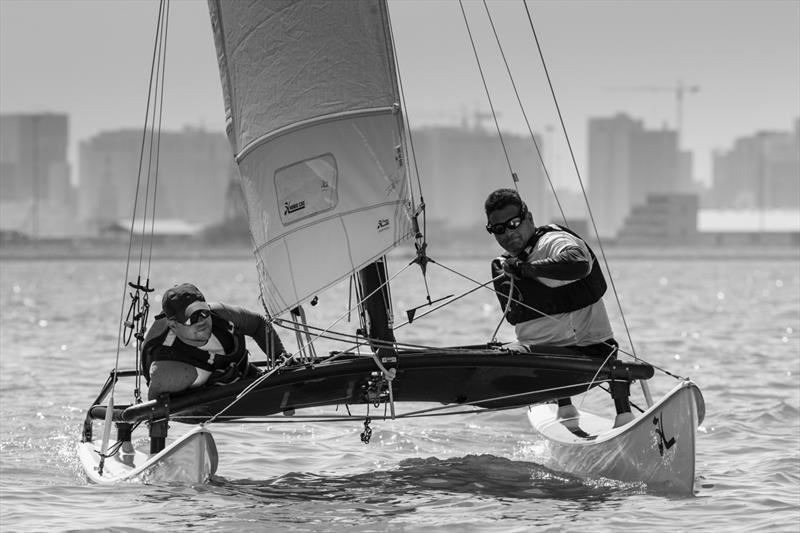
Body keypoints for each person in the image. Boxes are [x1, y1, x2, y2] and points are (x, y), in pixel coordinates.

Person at [484, 188, 632, 427]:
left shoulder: (552, 242)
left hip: (591, 355)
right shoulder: (503, 265)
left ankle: (624, 419)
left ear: (529, 218)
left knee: (513, 354)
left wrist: (526, 269)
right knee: (503, 352)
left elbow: (579, 263)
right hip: (544, 367)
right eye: (499, 229)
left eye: (513, 223)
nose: (508, 233)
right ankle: (565, 409)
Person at [142, 283, 287, 400]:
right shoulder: (167, 371)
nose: (201, 321)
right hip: (190, 394)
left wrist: (280, 357)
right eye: (191, 317)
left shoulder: (222, 315)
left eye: (203, 312)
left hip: (239, 375)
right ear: (173, 325)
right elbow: (154, 413)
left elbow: (259, 324)